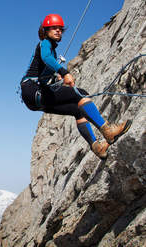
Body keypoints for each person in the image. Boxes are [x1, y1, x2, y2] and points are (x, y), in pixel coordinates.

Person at [20, 14, 132, 159]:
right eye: (54, 28)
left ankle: (96, 147)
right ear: (46, 31)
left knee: (77, 110)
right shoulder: (45, 44)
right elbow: (46, 58)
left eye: (60, 29)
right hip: (33, 90)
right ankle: (107, 130)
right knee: (81, 93)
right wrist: (64, 72)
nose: (58, 31)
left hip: (33, 98)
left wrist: (57, 78)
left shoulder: (50, 50)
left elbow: (43, 70)